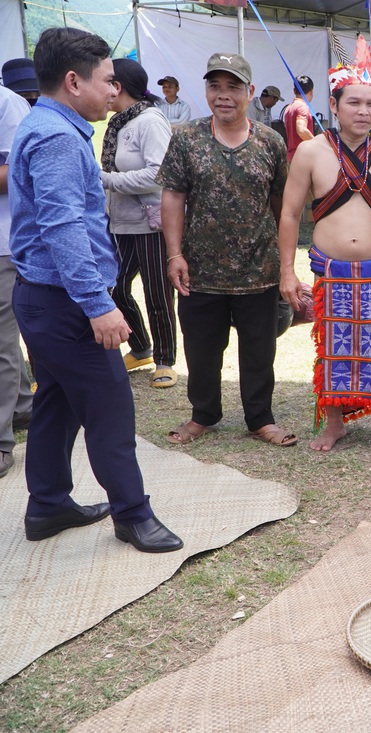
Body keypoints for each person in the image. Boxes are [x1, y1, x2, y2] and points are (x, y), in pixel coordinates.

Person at [10, 27, 181, 552]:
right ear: (72, 81)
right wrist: (98, 305)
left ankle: (47, 505)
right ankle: (134, 514)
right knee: (110, 410)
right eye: (107, 80)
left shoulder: (46, 123)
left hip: (43, 298)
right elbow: (63, 230)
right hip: (65, 303)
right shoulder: (59, 137)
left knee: (57, 406)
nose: (115, 90)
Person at [278, 47, 371, 452]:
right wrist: (287, 270)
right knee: (333, 346)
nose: (363, 110)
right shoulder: (310, 152)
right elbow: (289, 216)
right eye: (353, 102)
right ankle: (334, 422)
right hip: (329, 269)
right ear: (334, 106)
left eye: (370, 103)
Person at [158, 52, 296, 448]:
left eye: (233, 87)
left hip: (259, 270)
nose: (223, 95)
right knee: (201, 350)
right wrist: (174, 254)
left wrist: (286, 265)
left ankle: (260, 419)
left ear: (249, 92)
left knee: (259, 351)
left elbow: (282, 208)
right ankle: (203, 415)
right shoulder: (186, 137)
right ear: (205, 91)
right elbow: (173, 198)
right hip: (199, 270)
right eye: (215, 86)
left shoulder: (270, 142)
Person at [101, 58, 178, 388]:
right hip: (121, 222)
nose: (102, 88)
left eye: (105, 81)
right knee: (114, 287)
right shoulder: (119, 122)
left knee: (157, 293)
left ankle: (165, 360)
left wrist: (107, 180)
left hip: (150, 222)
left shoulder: (150, 121)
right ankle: (141, 346)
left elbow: (159, 172)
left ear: (118, 87)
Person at [0, 82, 32, 478]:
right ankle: (23, 405)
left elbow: (17, 172)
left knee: (1, 342)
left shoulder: (8, 104)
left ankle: (1, 440)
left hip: (4, 243)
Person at [283, 74, 314, 162]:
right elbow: (301, 130)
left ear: (294, 90)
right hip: (302, 158)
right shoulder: (302, 107)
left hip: (291, 157)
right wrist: (317, 144)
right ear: (311, 91)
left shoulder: (289, 108)